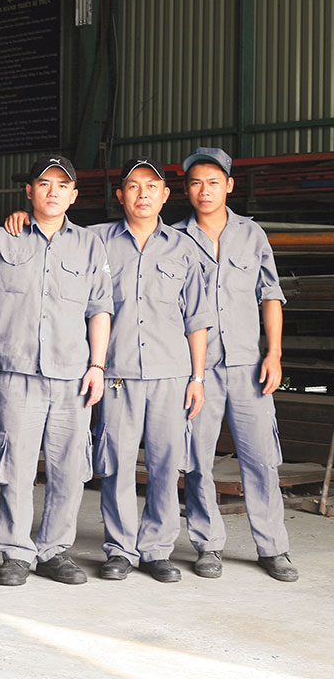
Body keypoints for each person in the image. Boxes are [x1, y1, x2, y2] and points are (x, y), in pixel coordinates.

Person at [0, 156, 113, 586]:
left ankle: (54, 551)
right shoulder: (2, 238)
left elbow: (100, 308)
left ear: (74, 195)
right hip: (19, 375)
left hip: (73, 376)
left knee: (69, 468)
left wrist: (97, 365)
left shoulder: (89, 245)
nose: (53, 191)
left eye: (62, 185)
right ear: (29, 191)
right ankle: (16, 553)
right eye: (44, 183)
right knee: (15, 467)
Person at [173, 147, 297, 582]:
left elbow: (271, 295)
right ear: (186, 190)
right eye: (195, 183)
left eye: (213, 182)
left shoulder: (251, 234)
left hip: (248, 365)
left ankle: (273, 548)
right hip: (198, 370)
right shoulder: (174, 239)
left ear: (228, 185)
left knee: (261, 458)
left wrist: (274, 353)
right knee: (197, 459)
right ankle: (208, 544)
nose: (204, 190)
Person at [89, 156, 213, 583]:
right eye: (133, 187)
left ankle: (157, 550)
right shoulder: (95, 241)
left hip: (171, 375)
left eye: (151, 187)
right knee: (117, 464)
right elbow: (49, 232)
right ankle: (120, 549)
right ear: (120, 195)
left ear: (165, 195)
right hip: (118, 374)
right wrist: (16, 219)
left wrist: (197, 378)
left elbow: (197, 319)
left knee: (166, 464)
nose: (143, 194)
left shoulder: (184, 248)